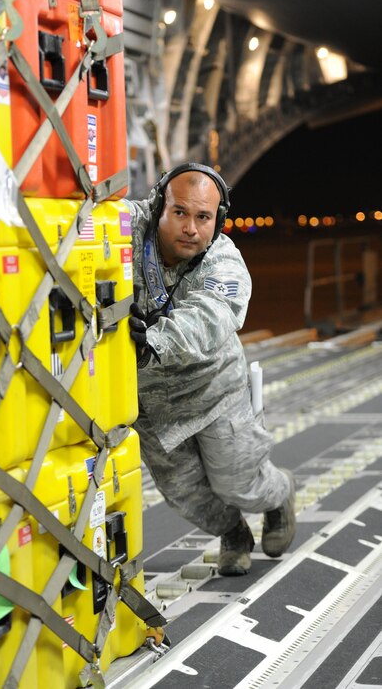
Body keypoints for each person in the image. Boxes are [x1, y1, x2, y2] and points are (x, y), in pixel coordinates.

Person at [123, 163, 296, 576]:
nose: (190, 228)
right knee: (188, 497)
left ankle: (278, 496)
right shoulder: (124, 229)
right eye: (179, 212)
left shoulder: (223, 260)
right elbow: (78, 225)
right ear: (158, 206)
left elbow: (210, 316)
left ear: (217, 221)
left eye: (203, 217)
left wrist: (153, 344)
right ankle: (234, 534)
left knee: (239, 483)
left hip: (214, 392)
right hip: (153, 408)